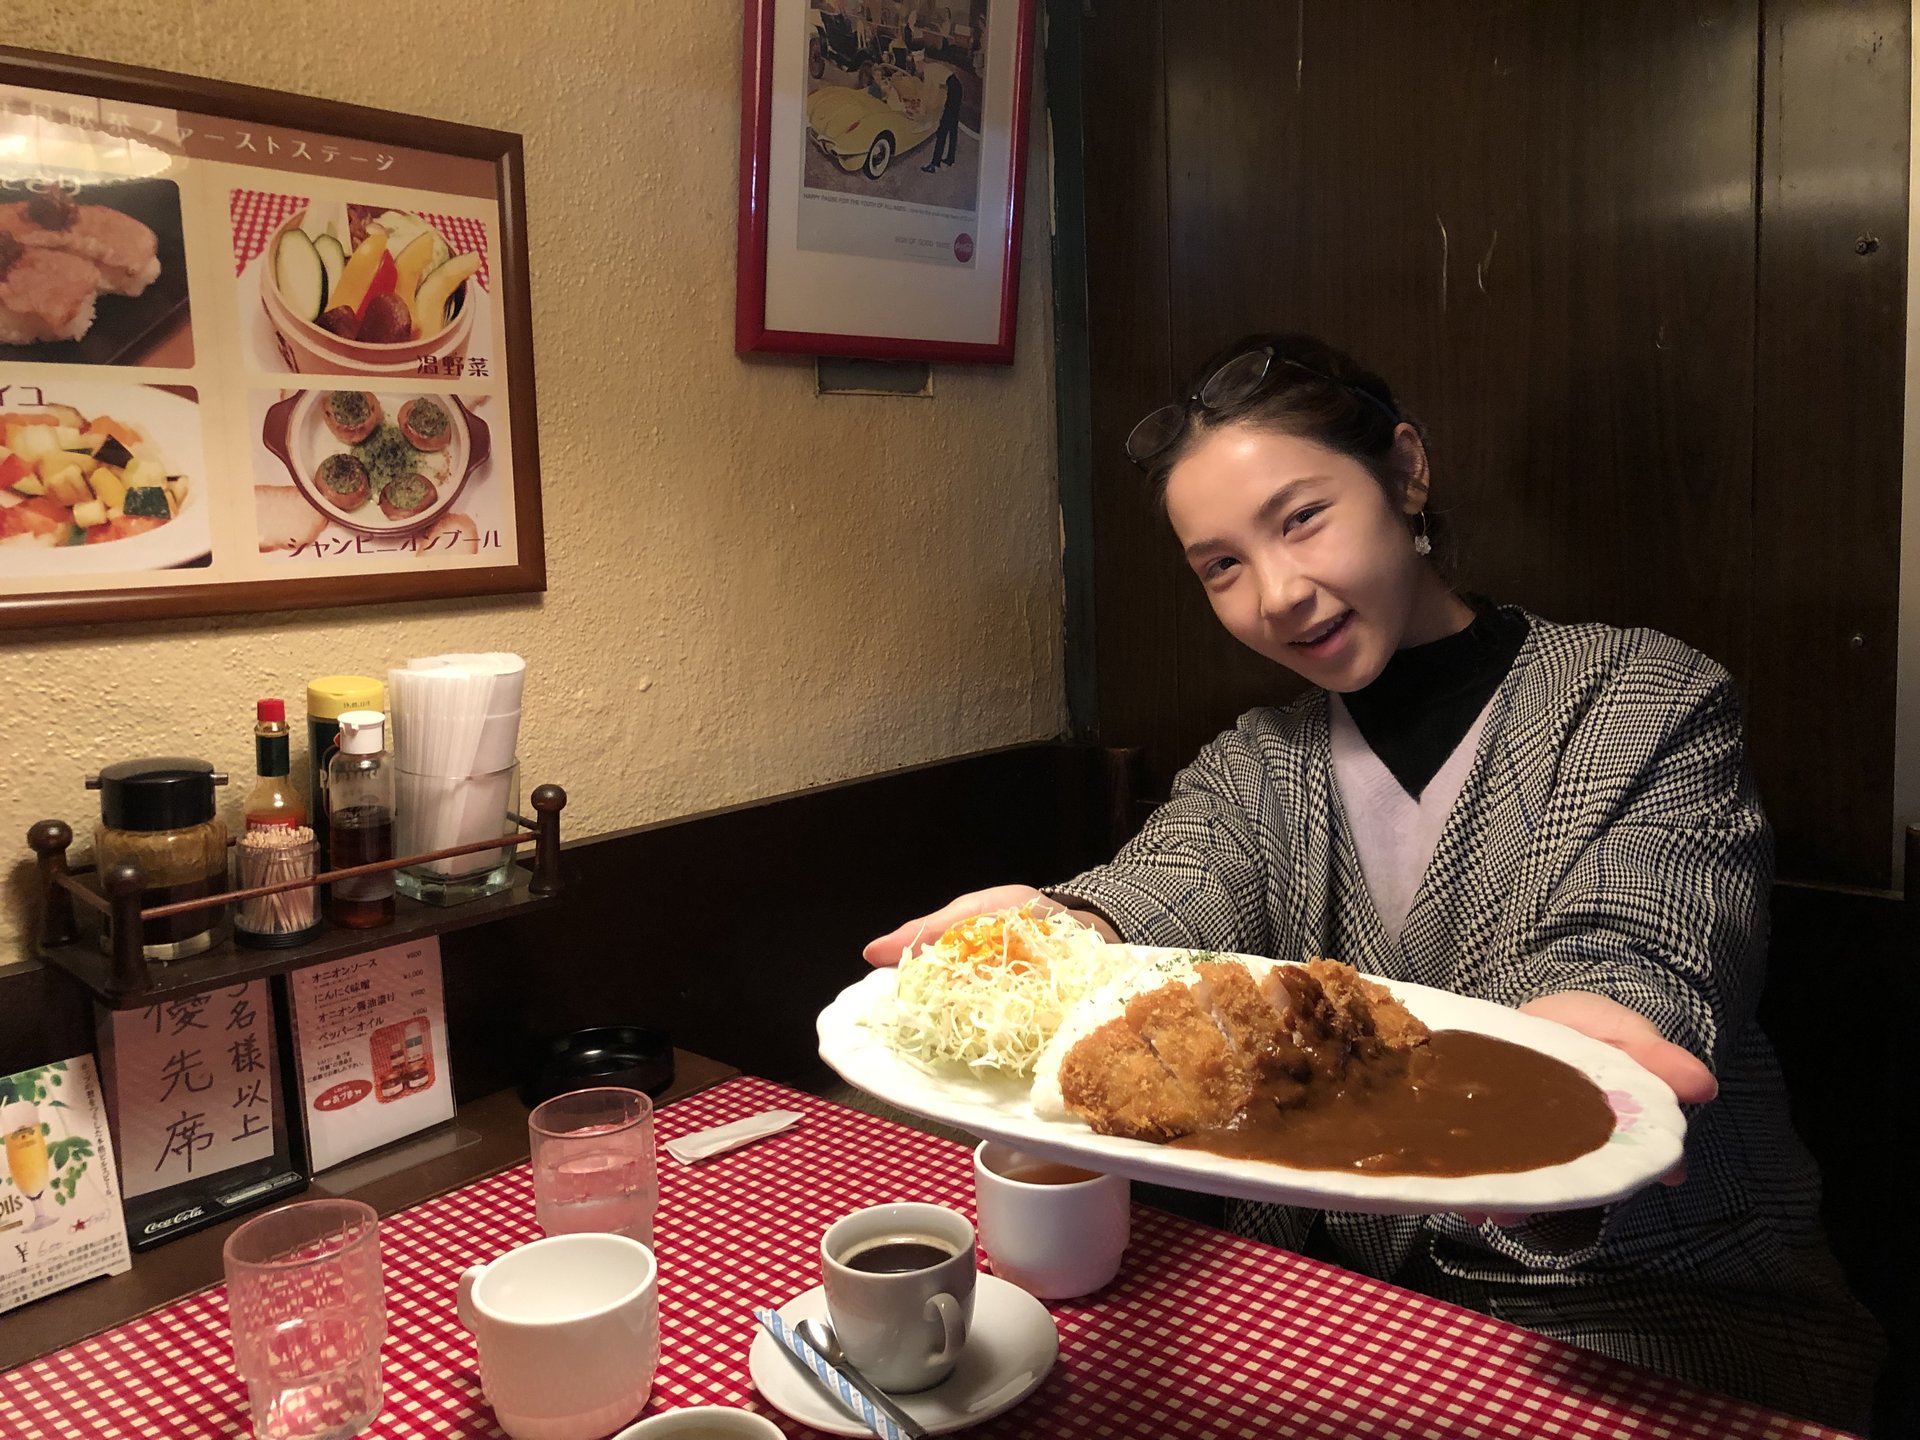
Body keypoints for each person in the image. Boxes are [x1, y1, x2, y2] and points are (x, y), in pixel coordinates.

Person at [864, 334, 1884, 1431]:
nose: (1279, 593)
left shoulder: (1640, 693)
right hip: (1344, 1303)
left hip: (1655, 1305)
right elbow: (1172, 878)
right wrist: (1055, 931)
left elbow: (1641, 924)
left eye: (1302, 518)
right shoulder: (1262, 758)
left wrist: (1597, 1034)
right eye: (1221, 565)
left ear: (1406, 474)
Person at [922, 69, 963, 172]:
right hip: (956, 88)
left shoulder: (928, 73)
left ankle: (934, 164)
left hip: (953, 90)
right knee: (953, 127)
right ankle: (950, 158)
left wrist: (926, 108)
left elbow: (930, 93)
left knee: (942, 130)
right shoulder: (932, 68)